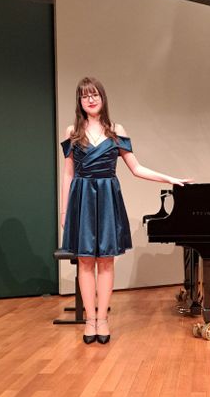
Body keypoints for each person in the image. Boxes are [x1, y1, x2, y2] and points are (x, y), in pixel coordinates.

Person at [61, 76, 191, 344]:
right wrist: (64, 212)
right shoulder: (72, 131)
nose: (90, 99)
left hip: (108, 199)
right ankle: (89, 320)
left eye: (95, 94)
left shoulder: (115, 130)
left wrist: (169, 178)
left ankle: (103, 319)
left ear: (102, 97)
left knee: (106, 261)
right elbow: (68, 174)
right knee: (85, 261)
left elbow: (136, 168)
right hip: (82, 200)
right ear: (80, 101)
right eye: (85, 96)